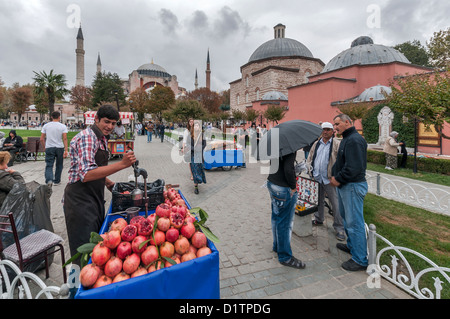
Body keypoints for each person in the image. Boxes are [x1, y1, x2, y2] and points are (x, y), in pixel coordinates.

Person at [63, 105, 136, 263]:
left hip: (94, 198)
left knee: (97, 245)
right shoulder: (87, 138)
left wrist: (107, 182)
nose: (110, 126)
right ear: (96, 119)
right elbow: (86, 174)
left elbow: (93, 167)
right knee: (84, 251)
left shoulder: (101, 138)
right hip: (79, 201)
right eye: (106, 122)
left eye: (113, 123)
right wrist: (122, 165)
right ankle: (78, 284)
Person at [330, 114, 368, 271]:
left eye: (337, 124)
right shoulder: (347, 138)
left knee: (354, 223)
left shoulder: (354, 140)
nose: (335, 127)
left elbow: (354, 168)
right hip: (346, 186)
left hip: (352, 186)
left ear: (347, 122)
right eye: (334, 124)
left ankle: (360, 259)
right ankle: (353, 247)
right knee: (347, 219)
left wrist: (338, 178)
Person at [306, 122, 345, 241]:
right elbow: (310, 158)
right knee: (319, 200)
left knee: (335, 203)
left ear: (332, 131)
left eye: (328, 129)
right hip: (317, 177)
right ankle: (319, 218)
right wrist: (310, 170)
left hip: (330, 179)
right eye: (323, 129)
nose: (325, 132)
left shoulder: (336, 144)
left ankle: (339, 228)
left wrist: (337, 176)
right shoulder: (316, 144)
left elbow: (341, 161)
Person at [267, 150, 305, 269]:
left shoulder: (276, 141)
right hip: (283, 187)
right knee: (285, 222)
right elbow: (288, 169)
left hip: (273, 182)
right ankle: (285, 256)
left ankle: (277, 246)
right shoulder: (290, 145)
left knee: (276, 217)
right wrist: (293, 186)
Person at [40, 111, 69, 186]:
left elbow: (41, 139)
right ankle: (57, 180)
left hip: (49, 146)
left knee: (49, 164)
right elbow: (65, 138)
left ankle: (49, 179)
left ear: (51, 117)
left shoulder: (46, 126)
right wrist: (66, 150)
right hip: (59, 147)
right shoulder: (62, 126)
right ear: (59, 117)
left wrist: (44, 147)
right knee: (59, 164)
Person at [188, 120, 206, 194]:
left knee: (199, 169)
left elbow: (204, 144)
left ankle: (199, 179)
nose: (196, 127)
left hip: (199, 155)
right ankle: (196, 187)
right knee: (195, 170)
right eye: (195, 125)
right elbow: (188, 145)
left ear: (199, 127)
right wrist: (194, 149)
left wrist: (200, 149)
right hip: (193, 155)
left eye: (198, 125)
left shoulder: (202, 135)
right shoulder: (190, 135)